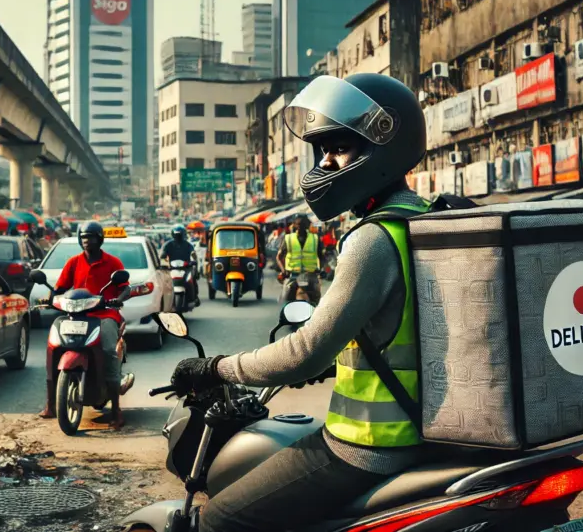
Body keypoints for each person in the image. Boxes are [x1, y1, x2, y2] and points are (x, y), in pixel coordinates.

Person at [168, 73, 432, 532]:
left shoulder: (373, 238)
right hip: (423, 434)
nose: (325, 164)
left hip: (368, 448)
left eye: (340, 149)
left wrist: (215, 369)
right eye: (323, 150)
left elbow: (303, 351)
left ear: (383, 147)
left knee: (217, 519)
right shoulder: (428, 220)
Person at [40, 221, 135, 429]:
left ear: (99, 239)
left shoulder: (112, 262)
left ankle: (116, 411)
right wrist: (50, 298)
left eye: (90, 237)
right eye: (83, 238)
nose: (86, 242)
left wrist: (118, 299)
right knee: (53, 346)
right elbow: (60, 287)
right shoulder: (74, 262)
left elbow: (125, 288)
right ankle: (50, 404)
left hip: (104, 315)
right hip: (75, 315)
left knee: (109, 350)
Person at [276, 214, 324, 304]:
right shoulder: (288, 238)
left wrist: (321, 270)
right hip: (292, 275)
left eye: (302, 224)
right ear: (294, 225)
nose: (300, 226)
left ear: (306, 225)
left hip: (310, 276)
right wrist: (283, 271)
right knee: (285, 300)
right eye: (298, 223)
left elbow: (322, 257)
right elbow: (279, 257)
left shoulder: (315, 238)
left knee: (316, 300)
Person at [160, 225, 200, 305]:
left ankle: (194, 297)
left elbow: (193, 254)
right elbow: (162, 255)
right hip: (171, 268)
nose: (178, 237)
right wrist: (163, 259)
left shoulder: (188, 245)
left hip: (186, 267)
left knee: (193, 280)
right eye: (176, 235)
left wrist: (194, 259)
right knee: (162, 282)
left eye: (179, 235)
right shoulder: (168, 244)